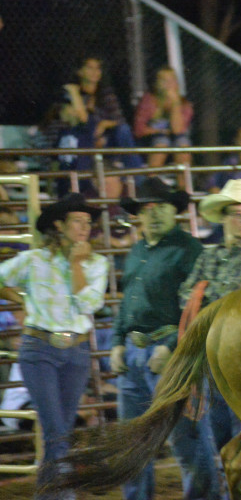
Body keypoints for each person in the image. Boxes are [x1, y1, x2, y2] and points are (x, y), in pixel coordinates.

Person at [110, 177, 222, 500]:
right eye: (148, 209)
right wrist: (117, 340)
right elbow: (128, 301)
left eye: (162, 208)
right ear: (139, 216)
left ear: (174, 212)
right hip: (134, 354)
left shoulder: (189, 250)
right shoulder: (136, 251)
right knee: (134, 444)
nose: (155, 214)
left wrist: (171, 344)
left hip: (171, 357)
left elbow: (200, 308)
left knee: (186, 440)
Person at [0, 193, 108, 497]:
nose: (85, 227)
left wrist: (75, 264)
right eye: (78, 220)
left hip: (74, 352)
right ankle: (63, 495)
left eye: (88, 222)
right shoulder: (34, 260)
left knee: (59, 433)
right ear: (59, 225)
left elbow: (91, 303)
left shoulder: (96, 263)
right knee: (57, 432)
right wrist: (19, 299)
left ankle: (49, 495)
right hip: (41, 349)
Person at [179, 179, 241, 450]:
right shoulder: (209, 256)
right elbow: (184, 294)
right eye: (237, 214)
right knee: (221, 433)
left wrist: (202, 290)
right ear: (224, 219)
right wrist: (204, 294)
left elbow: (230, 299)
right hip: (214, 358)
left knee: (240, 433)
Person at [43, 56, 142, 195]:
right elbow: (77, 120)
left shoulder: (105, 93)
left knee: (124, 130)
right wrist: (75, 94)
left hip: (103, 140)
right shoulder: (71, 93)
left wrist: (103, 124)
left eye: (97, 68)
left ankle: (138, 181)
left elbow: (119, 120)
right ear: (79, 71)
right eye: (89, 67)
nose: (95, 72)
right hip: (80, 141)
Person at [133, 66, 194, 170]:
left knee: (183, 143)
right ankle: (152, 180)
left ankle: (184, 185)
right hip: (150, 139)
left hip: (174, 138)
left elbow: (177, 130)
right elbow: (139, 130)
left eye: (172, 80)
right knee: (162, 141)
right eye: (164, 80)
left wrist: (175, 104)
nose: (169, 84)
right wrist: (158, 130)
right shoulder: (149, 100)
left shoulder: (184, 104)